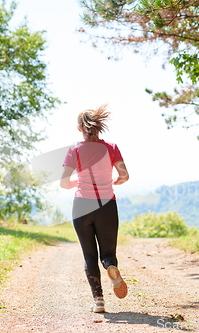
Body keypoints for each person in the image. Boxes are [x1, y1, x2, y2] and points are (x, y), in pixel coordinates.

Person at [60, 104, 129, 313]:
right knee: (107, 253)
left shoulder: (74, 150)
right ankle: (110, 267)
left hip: (82, 205)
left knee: (89, 256)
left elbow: (63, 183)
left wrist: (78, 183)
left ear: (80, 128)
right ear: (99, 127)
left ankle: (98, 301)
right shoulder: (111, 147)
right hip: (106, 204)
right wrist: (115, 181)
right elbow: (124, 176)